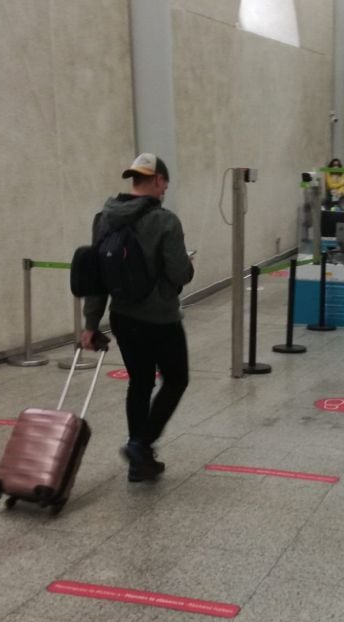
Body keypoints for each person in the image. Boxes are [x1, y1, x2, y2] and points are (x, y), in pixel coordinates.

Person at [82, 153, 194, 483]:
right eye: (164, 183)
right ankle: (140, 444)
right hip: (160, 318)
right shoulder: (166, 221)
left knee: (140, 382)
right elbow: (179, 272)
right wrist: (188, 265)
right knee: (176, 379)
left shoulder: (104, 218)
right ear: (158, 180)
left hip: (122, 317)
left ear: (134, 179)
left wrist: (90, 324)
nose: (165, 189)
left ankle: (139, 463)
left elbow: (96, 278)